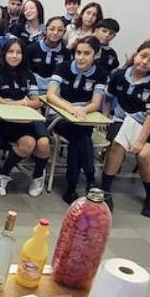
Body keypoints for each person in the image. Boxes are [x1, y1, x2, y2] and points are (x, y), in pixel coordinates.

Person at [101, 41, 150, 217]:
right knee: (117, 145)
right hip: (123, 119)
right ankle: (105, 191)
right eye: (143, 56)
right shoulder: (119, 75)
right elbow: (108, 99)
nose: (145, 61)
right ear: (136, 54)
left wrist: (140, 141)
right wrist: (104, 119)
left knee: (144, 155)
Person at [0, 39, 50, 197]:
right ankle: (2, 172)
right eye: (11, 52)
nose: (15, 56)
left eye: (19, 52)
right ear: (4, 53)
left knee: (43, 143)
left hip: (30, 117)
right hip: (4, 118)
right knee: (28, 144)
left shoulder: (28, 74)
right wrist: (12, 105)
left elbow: (36, 101)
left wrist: (22, 104)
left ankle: (38, 175)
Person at [46, 36, 107, 204]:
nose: (81, 57)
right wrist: (71, 109)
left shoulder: (101, 74)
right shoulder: (64, 67)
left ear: (96, 55)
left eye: (87, 53)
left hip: (82, 118)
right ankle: (90, 179)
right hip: (60, 116)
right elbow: (51, 95)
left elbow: (95, 103)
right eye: (78, 52)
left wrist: (82, 110)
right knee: (81, 136)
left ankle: (72, 186)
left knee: (79, 136)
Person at [26, 15, 70, 94]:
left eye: (60, 30)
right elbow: (25, 72)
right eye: (52, 29)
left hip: (54, 92)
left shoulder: (66, 53)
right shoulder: (31, 48)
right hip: (32, 90)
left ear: (64, 32)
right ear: (46, 30)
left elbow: (65, 76)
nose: (55, 33)